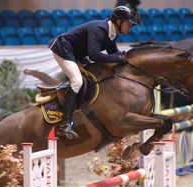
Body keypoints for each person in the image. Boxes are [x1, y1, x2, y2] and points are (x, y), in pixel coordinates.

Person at [48, 6, 138, 139]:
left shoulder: (111, 32)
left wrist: (130, 58)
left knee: (95, 74)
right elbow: (94, 55)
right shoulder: (100, 29)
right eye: (128, 23)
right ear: (119, 21)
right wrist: (118, 58)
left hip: (76, 52)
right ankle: (64, 124)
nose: (130, 27)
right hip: (63, 48)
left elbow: (114, 52)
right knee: (77, 81)